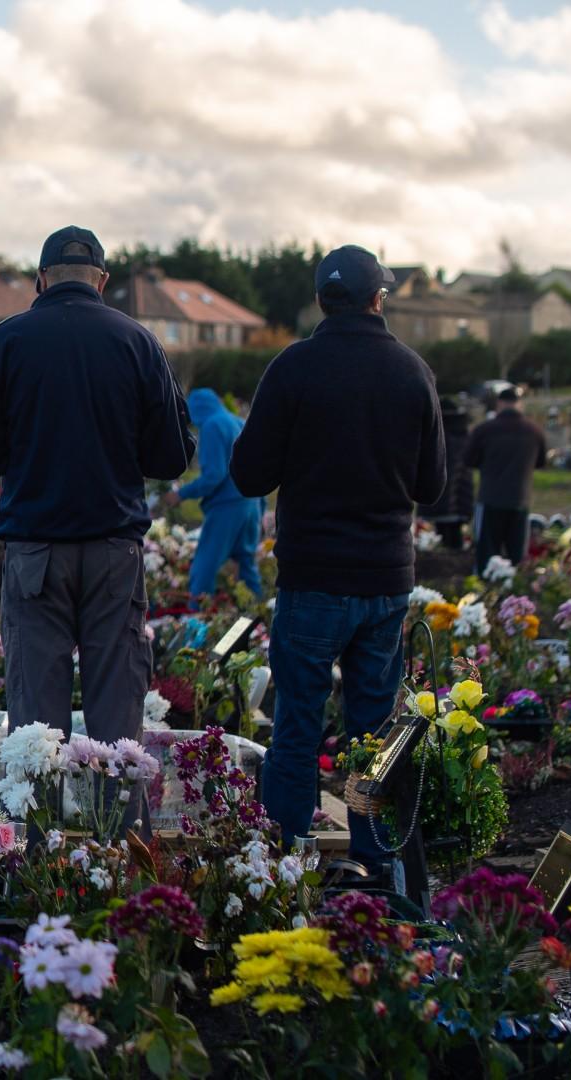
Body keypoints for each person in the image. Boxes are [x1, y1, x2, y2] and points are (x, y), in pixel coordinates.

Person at [230, 245, 445, 874]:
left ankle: (280, 873)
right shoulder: (412, 370)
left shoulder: (294, 368)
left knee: (296, 727)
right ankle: (377, 873)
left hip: (313, 579)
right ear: (379, 297)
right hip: (383, 581)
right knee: (373, 737)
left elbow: (248, 474)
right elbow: (430, 485)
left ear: (322, 300)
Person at [0, 226, 194, 742]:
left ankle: (40, 825)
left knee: (37, 727)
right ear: (102, 280)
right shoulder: (137, 341)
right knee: (118, 727)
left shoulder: (6, 340)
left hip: (36, 551)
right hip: (112, 552)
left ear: (40, 279)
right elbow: (173, 455)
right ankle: (119, 824)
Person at [164, 389, 263, 603]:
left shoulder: (211, 426)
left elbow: (213, 476)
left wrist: (181, 494)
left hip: (227, 506)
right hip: (251, 503)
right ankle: (258, 621)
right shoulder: (236, 420)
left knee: (204, 568)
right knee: (247, 567)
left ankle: (195, 621)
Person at [465, 386, 547, 574]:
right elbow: (540, 462)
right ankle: (514, 594)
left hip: (490, 498)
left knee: (486, 553)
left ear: (499, 404)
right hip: (520, 499)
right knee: (516, 556)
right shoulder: (534, 431)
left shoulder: (484, 430)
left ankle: (483, 594)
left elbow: (469, 460)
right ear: (519, 404)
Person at [419, 397, 473, 549]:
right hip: (461, 496)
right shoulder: (464, 434)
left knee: (441, 539)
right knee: (455, 537)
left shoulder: (437, 436)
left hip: (439, 496)